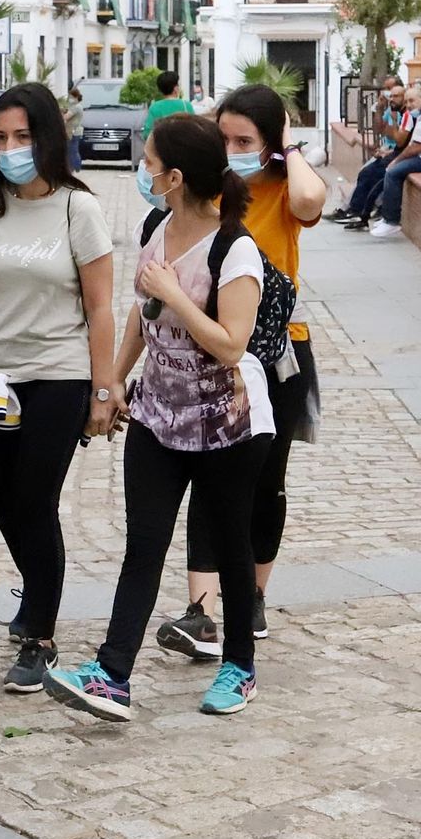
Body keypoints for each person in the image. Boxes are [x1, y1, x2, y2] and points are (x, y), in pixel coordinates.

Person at [43, 113, 273, 720]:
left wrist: (175, 294)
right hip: (158, 417)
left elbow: (231, 344)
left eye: (149, 164)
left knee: (229, 543)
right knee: (143, 544)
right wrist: (114, 380)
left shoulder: (234, 248)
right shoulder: (156, 225)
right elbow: (144, 315)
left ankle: (240, 668)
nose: (141, 172)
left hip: (227, 425)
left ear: (175, 176)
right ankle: (112, 674)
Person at [154, 84, 326, 662]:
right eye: (223, 139)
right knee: (209, 479)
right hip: (210, 345)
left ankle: (251, 595)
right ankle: (201, 611)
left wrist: (287, 148)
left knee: (265, 481)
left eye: (244, 141)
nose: (231, 150)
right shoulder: (206, 193)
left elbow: (308, 202)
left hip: (276, 351)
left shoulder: (279, 187)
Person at [0, 83, 122, 694]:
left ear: (47, 139)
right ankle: (36, 597)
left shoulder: (78, 210)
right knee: (5, 500)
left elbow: (102, 307)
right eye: (1, 138)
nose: (11, 149)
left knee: (34, 499)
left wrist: (103, 390)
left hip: (57, 375)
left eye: (23, 137)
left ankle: (40, 637)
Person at [371, 86, 421, 239]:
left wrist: (395, 161)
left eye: (412, 100)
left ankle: (391, 221)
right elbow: (413, 145)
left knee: (392, 173)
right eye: (407, 101)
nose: (408, 105)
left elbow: (416, 147)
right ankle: (386, 217)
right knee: (390, 170)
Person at [328, 82, 412, 226]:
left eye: (396, 96)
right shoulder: (393, 111)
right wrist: (379, 109)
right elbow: (381, 131)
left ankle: (360, 212)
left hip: (399, 154)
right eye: (390, 95)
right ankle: (355, 210)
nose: (391, 98)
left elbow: (401, 142)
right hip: (391, 151)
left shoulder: (408, 116)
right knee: (366, 172)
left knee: (370, 173)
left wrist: (389, 151)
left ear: (404, 98)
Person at [142, 69, 194, 139]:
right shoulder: (186, 105)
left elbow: (147, 134)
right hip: (184, 147)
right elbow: (195, 129)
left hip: (162, 147)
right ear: (175, 88)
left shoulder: (155, 107)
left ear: (160, 90)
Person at [64, 86, 85, 172]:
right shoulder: (78, 106)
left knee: (72, 151)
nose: (70, 99)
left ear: (75, 97)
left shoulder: (76, 107)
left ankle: (75, 168)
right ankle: (76, 168)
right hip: (76, 131)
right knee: (74, 150)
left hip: (73, 132)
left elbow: (66, 117)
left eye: (71, 97)